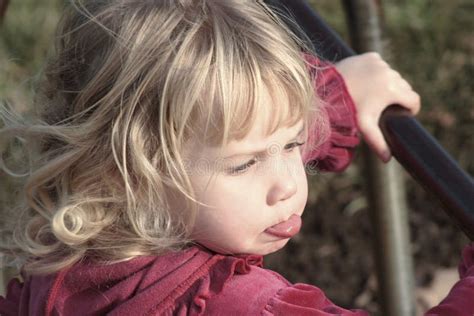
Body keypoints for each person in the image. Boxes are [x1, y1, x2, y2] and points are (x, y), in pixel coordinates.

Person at [0, 1, 471, 315]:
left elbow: (221, 133)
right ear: (129, 172)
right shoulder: (239, 305)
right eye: (245, 165)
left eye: (292, 144)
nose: (288, 184)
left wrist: (335, 97)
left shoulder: (64, 253)